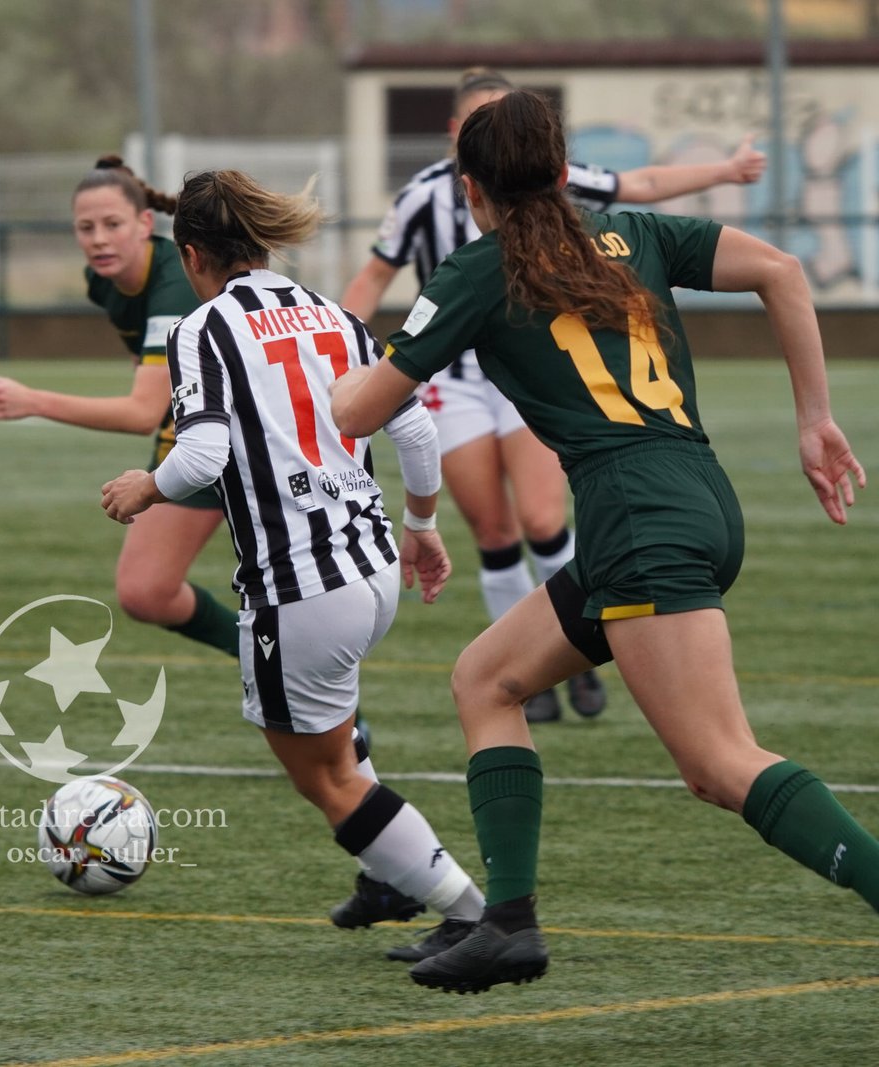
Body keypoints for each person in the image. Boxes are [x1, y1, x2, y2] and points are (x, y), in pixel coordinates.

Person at [332, 89, 876, 994]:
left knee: (719, 761)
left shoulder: (478, 269)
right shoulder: (633, 234)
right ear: (558, 169)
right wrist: (815, 420)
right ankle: (507, 924)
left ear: (471, 188)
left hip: (636, 516)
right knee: (486, 679)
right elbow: (782, 269)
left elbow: (357, 409)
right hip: (694, 495)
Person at [101, 169, 489, 962]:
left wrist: (148, 484)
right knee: (335, 750)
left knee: (329, 780)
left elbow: (204, 451)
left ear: (190, 253)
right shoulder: (335, 315)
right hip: (373, 563)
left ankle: (472, 913)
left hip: (301, 586)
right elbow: (413, 433)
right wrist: (423, 525)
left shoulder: (200, 328)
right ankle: (389, 881)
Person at [341, 68, 768, 723]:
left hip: (544, 371)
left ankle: (574, 657)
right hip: (451, 378)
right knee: (492, 528)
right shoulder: (425, 200)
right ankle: (534, 673)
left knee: (544, 519)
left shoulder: (561, 216)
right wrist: (352, 347)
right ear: (459, 143)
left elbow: (643, 184)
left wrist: (722, 171)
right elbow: (374, 275)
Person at [0, 157, 240, 658]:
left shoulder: (174, 286)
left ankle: (301, 688)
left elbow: (141, 410)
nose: (98, 239)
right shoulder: (104, 283)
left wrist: (32, 401)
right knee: (147, 591)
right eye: (85, 228)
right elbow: (154, 380)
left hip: (241, 436)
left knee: (275, 591)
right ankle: (273, 667)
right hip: (194, 428)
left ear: (144, 224)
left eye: (112, 224)